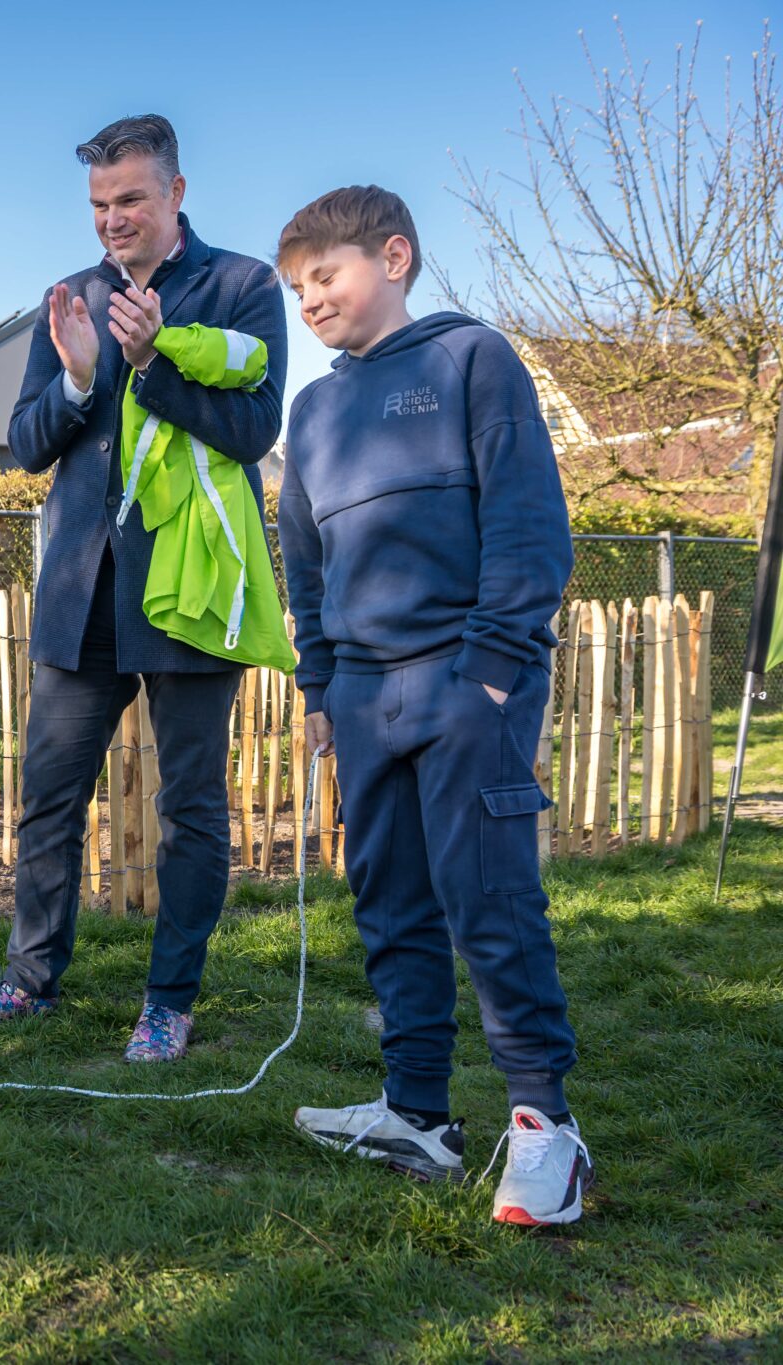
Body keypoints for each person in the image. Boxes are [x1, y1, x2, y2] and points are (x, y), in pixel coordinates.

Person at [0, 114, 287, 1062]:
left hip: (188, 594)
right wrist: (83, 382)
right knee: (48, 800)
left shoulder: (244, 286)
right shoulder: (72, 296)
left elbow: (254, 432)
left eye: (130, 198)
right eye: (98, 204)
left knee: (192, 810)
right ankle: (27, 983)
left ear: (175, 193)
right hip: (79, 593)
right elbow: (24, 443)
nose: (112, 220)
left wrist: (149, 364)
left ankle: (169, 1000)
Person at [275, 186, 592, 1225]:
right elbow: (304, 564)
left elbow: (528, 527)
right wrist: (320, 687)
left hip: (464, 683)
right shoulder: (312, 412)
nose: (309, 298)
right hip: (360, 701)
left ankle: (544, 1133)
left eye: (325, 274)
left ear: (394, 256)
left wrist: (490, 675)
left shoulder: (471, 360)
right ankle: (414, 1114)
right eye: (295, 287)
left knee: (487, 905)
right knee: (392, 910)